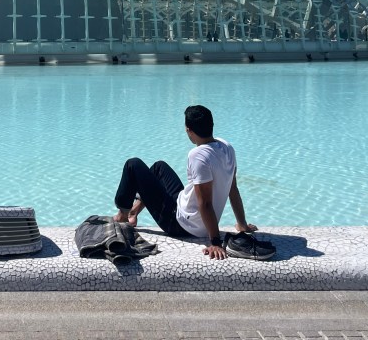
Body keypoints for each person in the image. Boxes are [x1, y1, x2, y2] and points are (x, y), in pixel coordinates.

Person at [112, 104, 264, 260]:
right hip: (185, 210)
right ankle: (133, 213)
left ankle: (122, 215)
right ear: (211, 125)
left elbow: (205, 203)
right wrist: (242, 224)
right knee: (159, 167)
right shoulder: (227, 148)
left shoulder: (198, 156)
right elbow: (233, 188)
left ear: (189, 131)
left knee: (133, 164)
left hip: (181, 225)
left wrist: (215, 242)